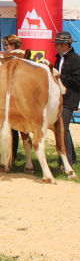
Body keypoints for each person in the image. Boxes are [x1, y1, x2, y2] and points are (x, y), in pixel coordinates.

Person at [54, 31, 80, 169]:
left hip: (70, 98)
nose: (55, 47)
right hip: (59, 98)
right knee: (62, 127)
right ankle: (72, 158)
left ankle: (67, 161)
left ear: (64, 44)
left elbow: (78, 80)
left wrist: (60, 76)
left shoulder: (76, 59)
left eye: (57, 44)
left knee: (63, 127)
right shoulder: (59, 58)